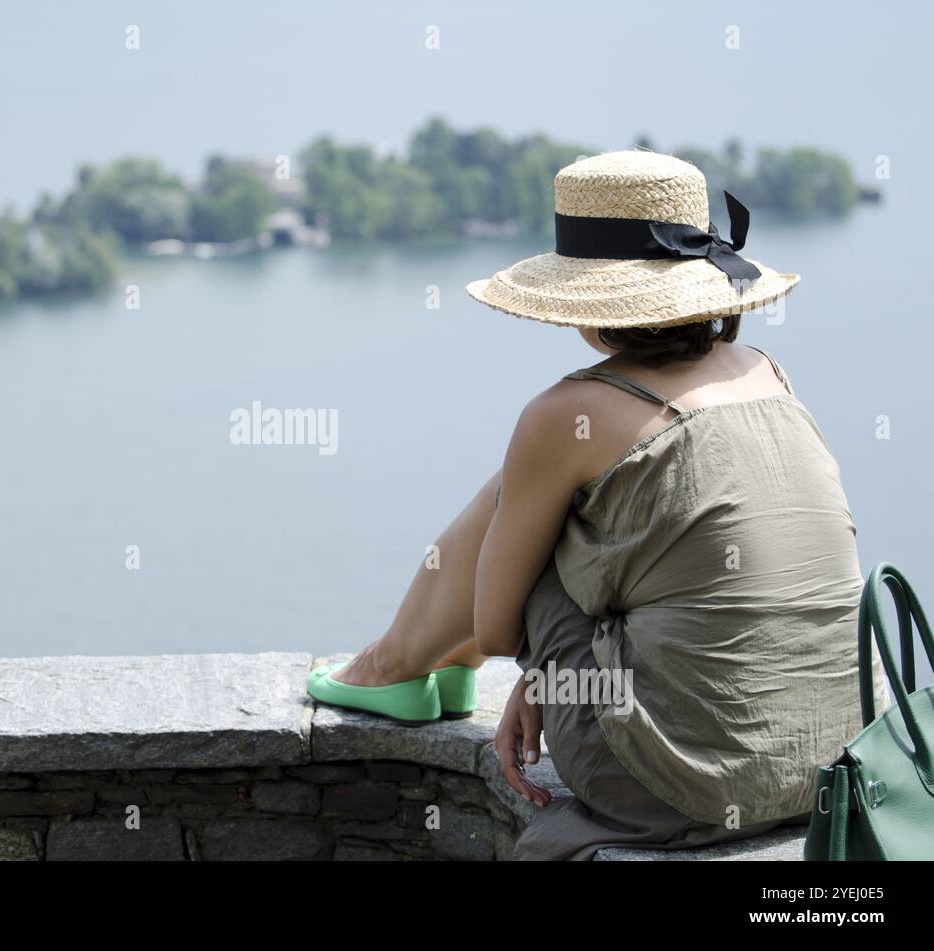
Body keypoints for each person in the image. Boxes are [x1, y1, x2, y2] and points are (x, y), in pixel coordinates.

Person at [307, 150, 883, 859]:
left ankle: (396, 662)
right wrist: (553, 671)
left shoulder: (570, 409)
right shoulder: (768, 373)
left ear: (585, 303)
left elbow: (495, 626)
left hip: (678, 783)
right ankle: (411, 656)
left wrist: (545, 669)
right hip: (826, 764)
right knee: (573, 495)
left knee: (523, 493)